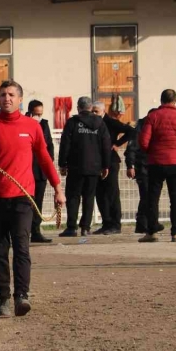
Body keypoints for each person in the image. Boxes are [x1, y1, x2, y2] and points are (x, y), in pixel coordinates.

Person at [0, 80, 64, 318]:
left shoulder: (31, 126)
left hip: (23, 198)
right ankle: (2, 299)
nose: (6, 98)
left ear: (20, 99)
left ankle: (22, 296)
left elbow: (44, 159)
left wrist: (58, 188)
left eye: (10, 95)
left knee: (21, 248)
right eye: (2, 95)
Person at [138, 89, 176, 243]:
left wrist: (153, 152)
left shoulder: (152, 116)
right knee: (175, 198)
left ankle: (152, 232)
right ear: (175, 101)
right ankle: (175, 233)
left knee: (153, 198)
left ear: (161, 100)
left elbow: (143, 142)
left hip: (156, 163)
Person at [58, 97, 111, 237]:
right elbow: (106, 145)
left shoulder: (73, 122)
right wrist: (106, 165)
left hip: (76, 166)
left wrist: (62, 163)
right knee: (89, 196)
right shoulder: (100, 122)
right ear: (90, 107)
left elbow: (65, 144)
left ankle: (71, 227)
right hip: (94, 167)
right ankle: (85, 227)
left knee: (73, 197)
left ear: (78, 107)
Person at [93, 100, 134, 235]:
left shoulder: (110, 122)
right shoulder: (92, 123)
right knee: (100, 194)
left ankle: (116, 224)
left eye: (96, 111)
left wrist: (117, 143)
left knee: (112, 193)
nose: (94, 114)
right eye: (92, 111)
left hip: (111, 161)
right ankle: (106, 223)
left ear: (103, 111)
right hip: (97, 162)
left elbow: (130, 131)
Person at [125, 109, 165, 235]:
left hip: (152, 165)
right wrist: (130, 165)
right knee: (147, 196)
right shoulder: (140, 128)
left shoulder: (152, 125)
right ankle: (144, 223)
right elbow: (131, 148)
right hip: (143, 167)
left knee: (150, 196)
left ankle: (146, 223)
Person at [26, 100, 55, 243]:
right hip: (26, 170)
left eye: (40, 114)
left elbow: (49, 145)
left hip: (40, 170)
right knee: (26, 203)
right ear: (30, 112)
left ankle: (36, 231)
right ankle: (23, 231)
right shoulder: (23, 123)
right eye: (36, 114)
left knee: (38, 202)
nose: (39, 116)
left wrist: (49, 162)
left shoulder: (44, 124)